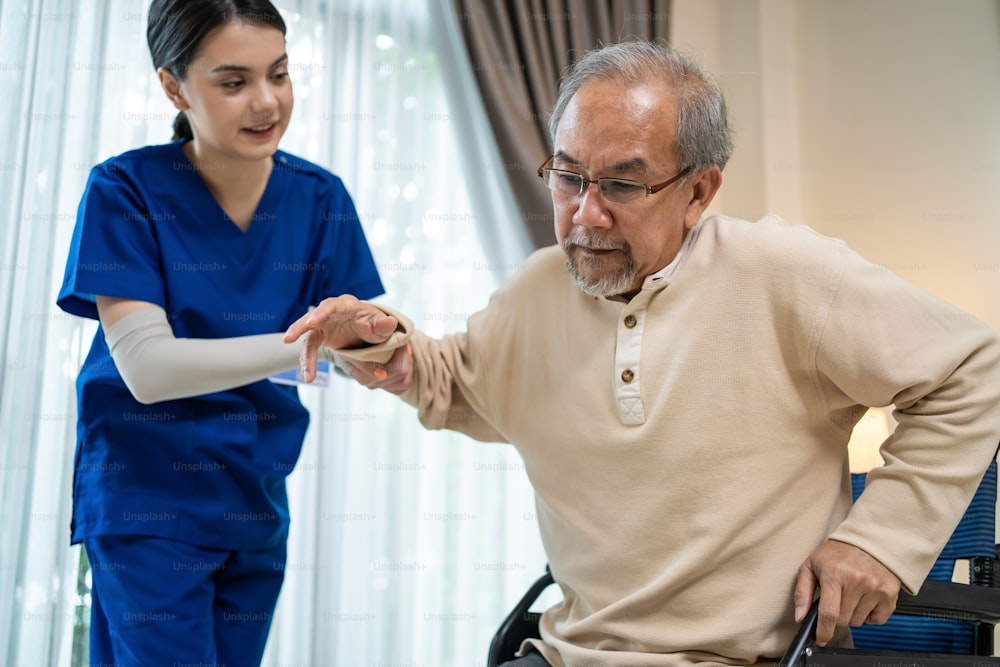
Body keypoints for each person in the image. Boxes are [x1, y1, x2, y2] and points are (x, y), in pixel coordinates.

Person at [284, 40, 1000, 665]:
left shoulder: (782, 273)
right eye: (568, 177)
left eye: (623, 184)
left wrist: (878, 539)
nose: (585, 214)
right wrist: (382, 342)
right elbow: (454, 379)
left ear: (699, 190)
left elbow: (975, 367)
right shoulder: (538, 290)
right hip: (567, 654)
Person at [55, 1, 384, 664]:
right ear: (173, 85)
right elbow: (149, 370)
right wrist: (317, 342)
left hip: (255, 502)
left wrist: (384, 339)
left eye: (280, 74)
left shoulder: (321, 199)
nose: (267, 102)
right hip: (147, 501)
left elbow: (359, 347)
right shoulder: (125, 190)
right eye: (234, 82)